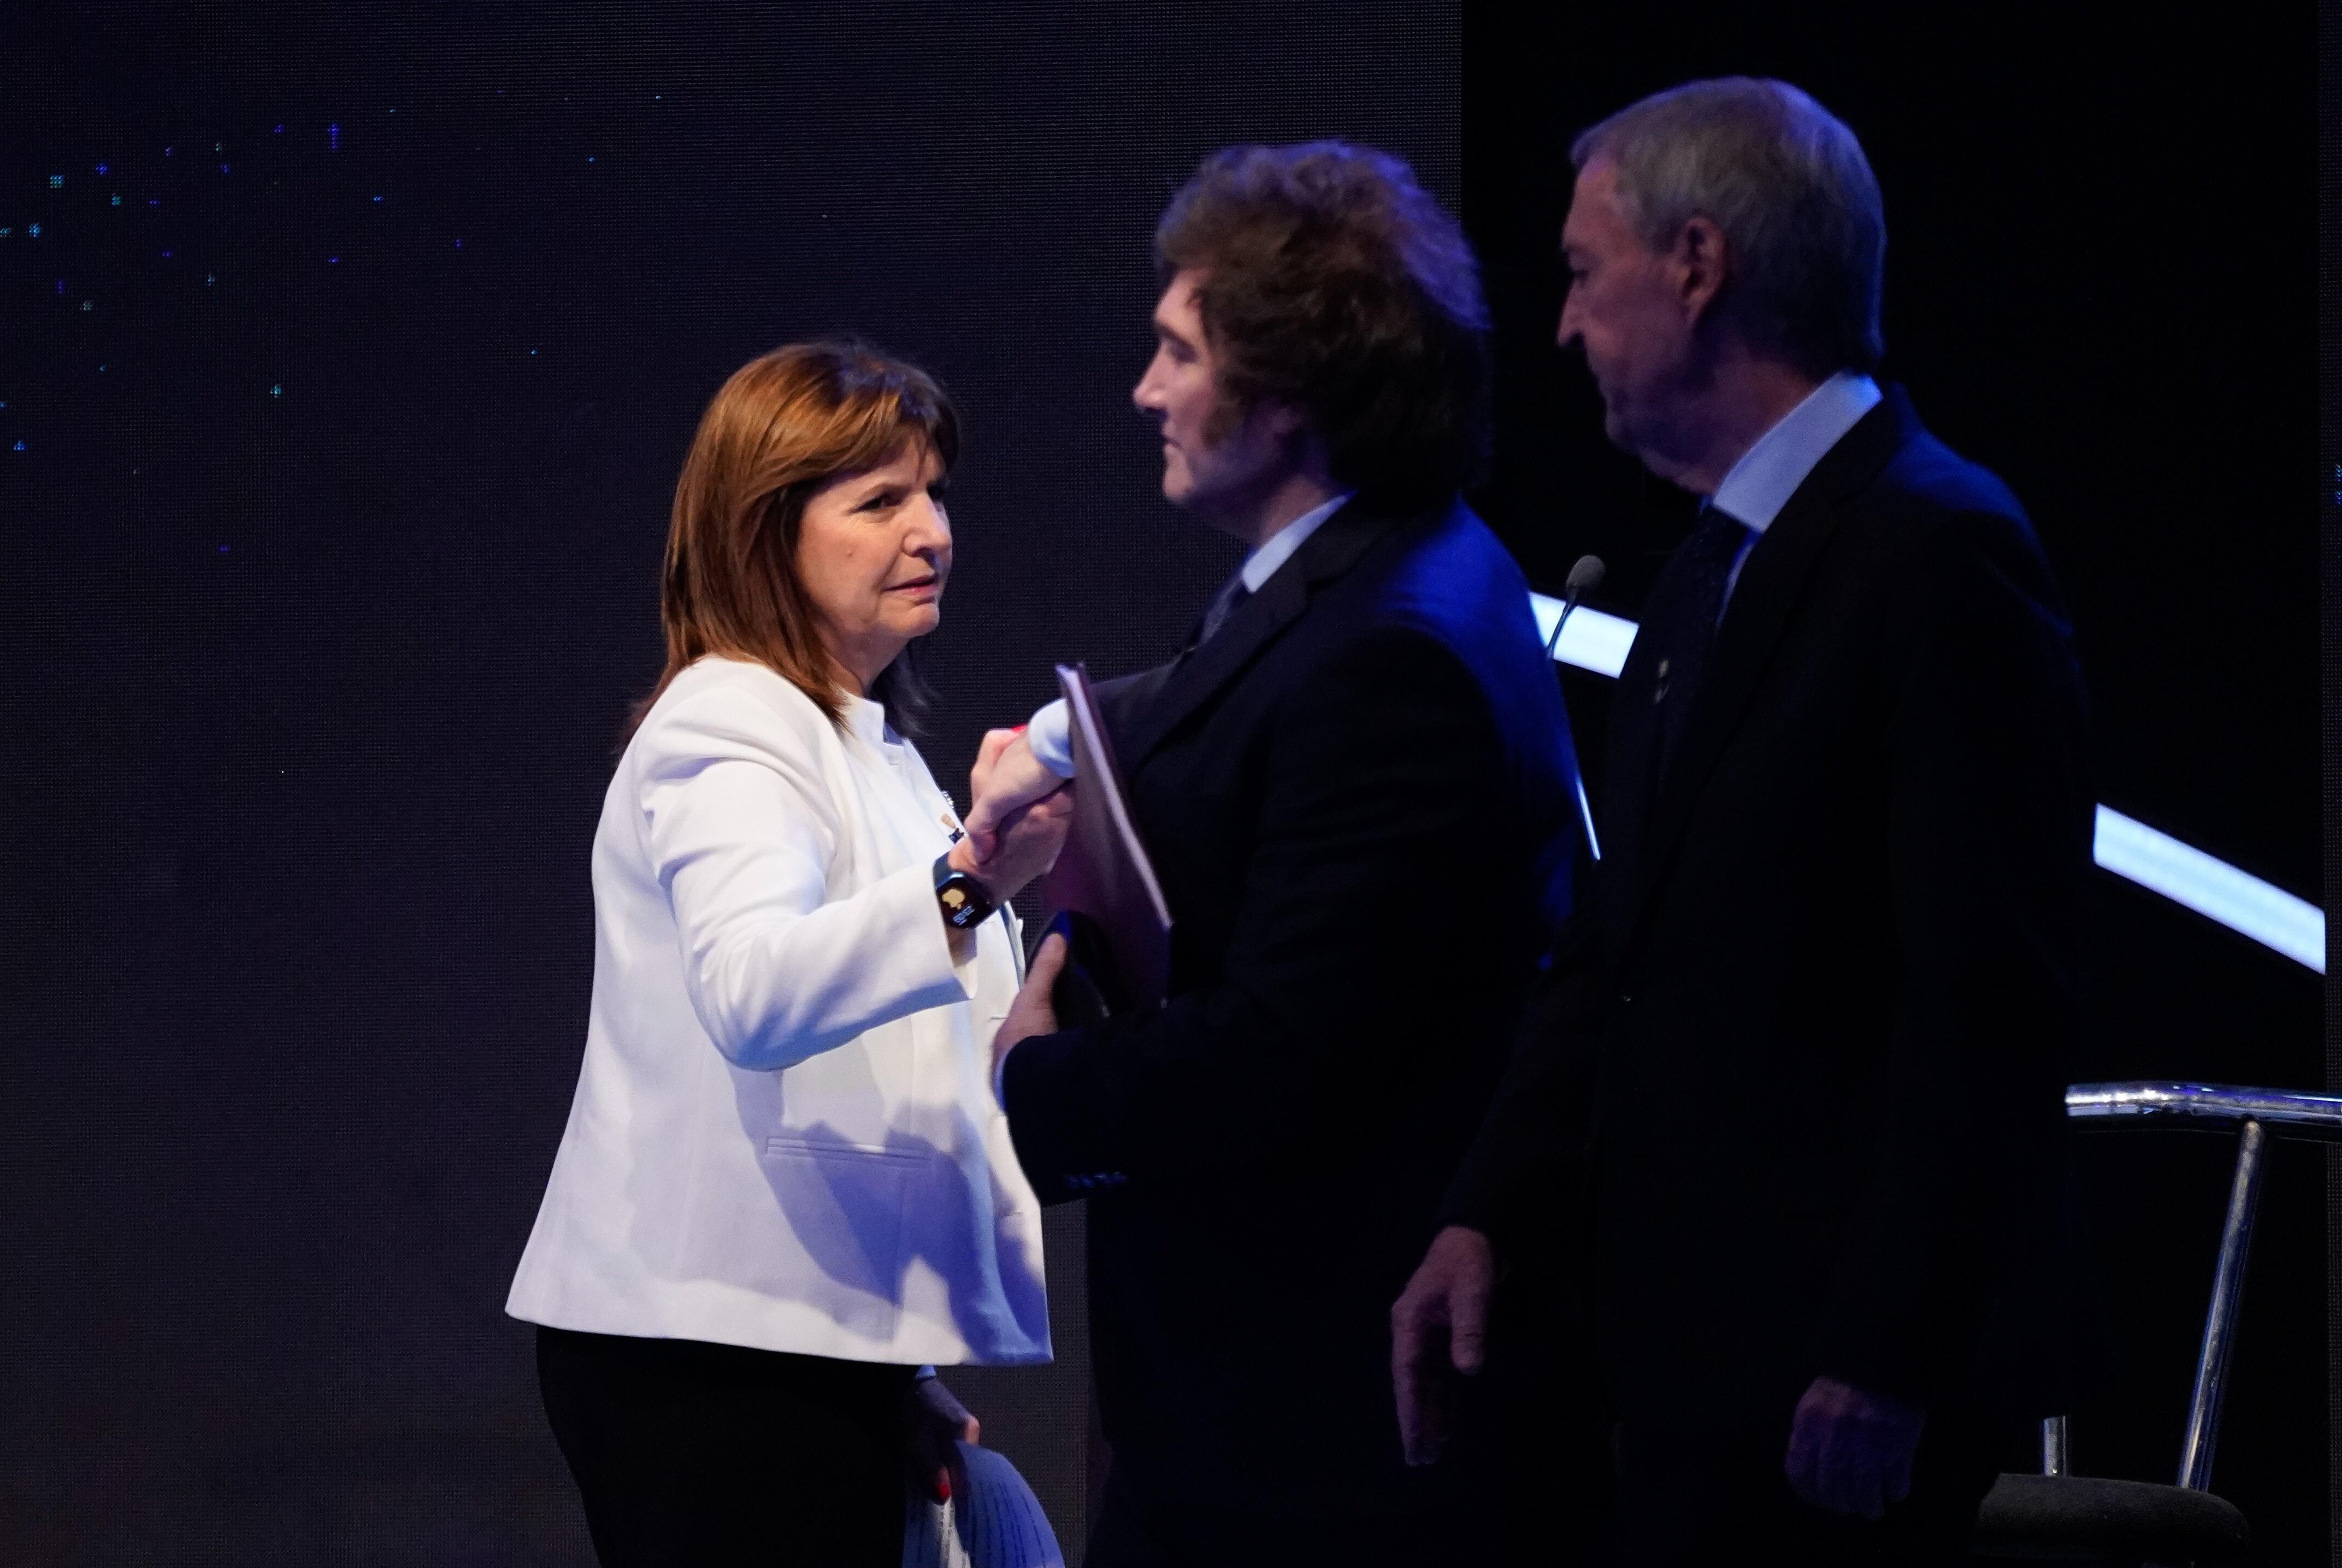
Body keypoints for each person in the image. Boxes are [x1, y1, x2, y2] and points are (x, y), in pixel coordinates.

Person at [1390, 79, 2091, 1565]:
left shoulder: (1935, 547)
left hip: (1828, 1401)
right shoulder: (1711, 562)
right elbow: (1612, 951)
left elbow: (1986, 994)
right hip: (1674, 1371)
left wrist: (1884, 1346)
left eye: (1583, 273)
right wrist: (1481, 1216)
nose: (1564, 325)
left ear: (1696, 265)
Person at [961, 143, 1580, 1565]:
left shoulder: (1391, 653)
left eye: (1178, 351)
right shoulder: (1382, 565)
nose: (1145, 389)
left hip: (1308, 1428)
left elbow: (1279, 1058)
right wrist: (1066, 737)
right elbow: (1218, 683)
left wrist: (1033, 1073)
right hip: (1267, 1404)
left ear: (1292, 388)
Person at [505, 341, 1071, 1567]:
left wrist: (890, 1371)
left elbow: (920, 1050)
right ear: (769, 535)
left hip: (798, 1348)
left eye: (934, 493)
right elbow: (757, 995)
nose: (932, 532)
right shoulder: (730, 717)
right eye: (879, 501)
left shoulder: (876, 753)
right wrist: (974, 877)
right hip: (709, 1358)